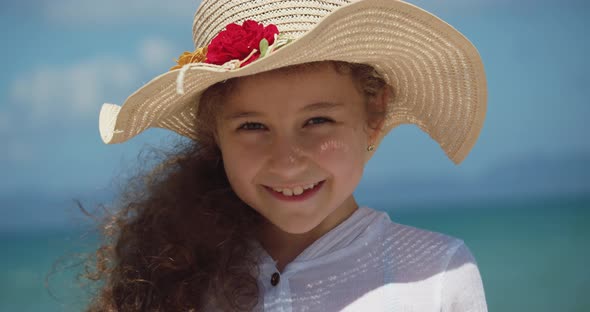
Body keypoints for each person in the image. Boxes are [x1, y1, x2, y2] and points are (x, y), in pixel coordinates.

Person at [89, 0, 488, 311]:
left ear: (374, 113)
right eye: (252, 127)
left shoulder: (438, 274)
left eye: (317, 120)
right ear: (215, 134)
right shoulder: (176, 278)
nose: (287, 161)